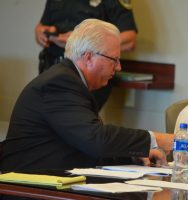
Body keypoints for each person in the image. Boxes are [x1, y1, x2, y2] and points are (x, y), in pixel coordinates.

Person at [0, 19, 173, 171]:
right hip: (28, 189)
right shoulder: (59, 83)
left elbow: (84, 145)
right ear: (89, 57)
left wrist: (132, 156)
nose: (119, 67)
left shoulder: (70, 80)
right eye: (114, 59)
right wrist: (153, 138)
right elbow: (96, 139)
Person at [35, 0, 138, 110]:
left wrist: (80, 42)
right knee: (46, 117)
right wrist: (40, 32)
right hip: (52, 68)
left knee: (75, 120)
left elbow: (129, 40)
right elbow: (42, 26)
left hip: (87, 75)